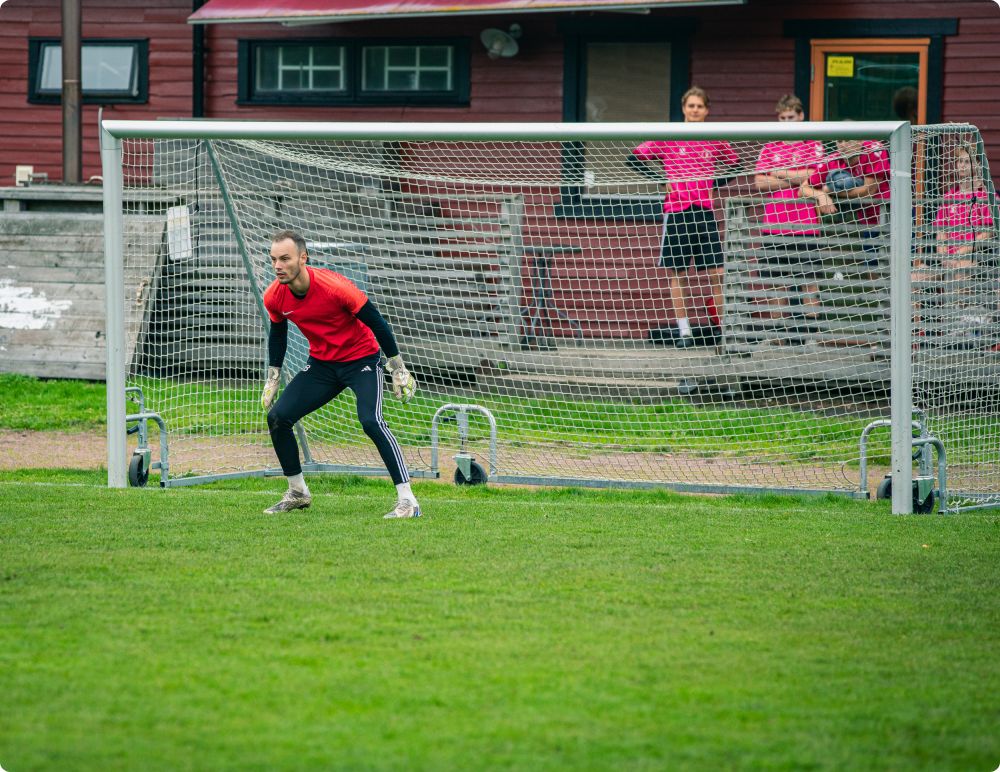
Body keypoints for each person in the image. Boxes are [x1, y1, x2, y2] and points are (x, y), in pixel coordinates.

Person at [260, 230, 420, 518]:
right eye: (273, 259)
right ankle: (298, 492)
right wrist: (273, 377)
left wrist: (398, 367)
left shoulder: (335, 287)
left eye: (284, 259)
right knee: (278, 417)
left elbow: (377, 322)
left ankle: (408, 501)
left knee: (371, 421)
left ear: (302, 258)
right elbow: (278, 334)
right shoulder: (274, 295)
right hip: (322, 364)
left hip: (361, 360)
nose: (277, 266)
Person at [628, 86, 739, 347]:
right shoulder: (670, 135)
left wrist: (713, 184)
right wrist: (660, 179)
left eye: (700, 106)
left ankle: (723, 330)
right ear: (684, 108)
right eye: (691, 105)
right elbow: (634, 159)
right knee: (678, 273)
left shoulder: (714, 137)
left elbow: (735, 165)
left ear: (707, 110)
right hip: (677, 211)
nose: (695, 110)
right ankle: (684, 331)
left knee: (717, 273)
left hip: (704, 211)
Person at [753, 94, 826, 343]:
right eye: (782, 118)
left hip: (806, 225)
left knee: (809, 281)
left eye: (791, 117)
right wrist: (795, 176)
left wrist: (781, 172)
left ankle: (813, 336)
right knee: (776, 282)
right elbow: (760, 181)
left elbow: (816, 174)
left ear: (801, 116)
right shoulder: (770, 147)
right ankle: (779, 334)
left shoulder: (812, 144)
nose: (787, 122)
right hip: (774, 225)